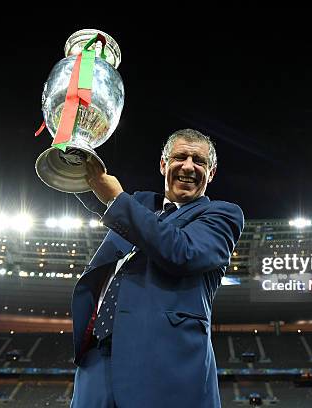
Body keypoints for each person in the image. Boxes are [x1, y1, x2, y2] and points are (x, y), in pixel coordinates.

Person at [70, 129, 244, 407]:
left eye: (199, 161)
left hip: (164, 365)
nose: (188, 166)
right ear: (163, 164)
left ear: (211, 173)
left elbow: (182, 252)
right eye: (180, 157)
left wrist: (117, 200)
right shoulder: (141, 204)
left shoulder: (222, 215)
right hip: (97, 357)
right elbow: (93, 189)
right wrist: (72, 143)